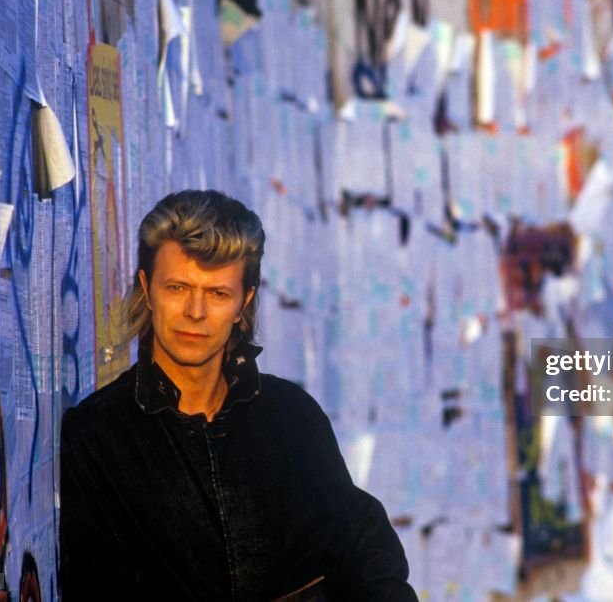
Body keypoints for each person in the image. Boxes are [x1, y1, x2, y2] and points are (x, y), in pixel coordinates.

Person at [59, 189, 417, 601]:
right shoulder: (97, 436)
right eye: (177, 288)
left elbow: (364, 546)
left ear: (244, 303)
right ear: (147, 287)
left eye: (217, 294)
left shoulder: (291, 417)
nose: (195, 312)